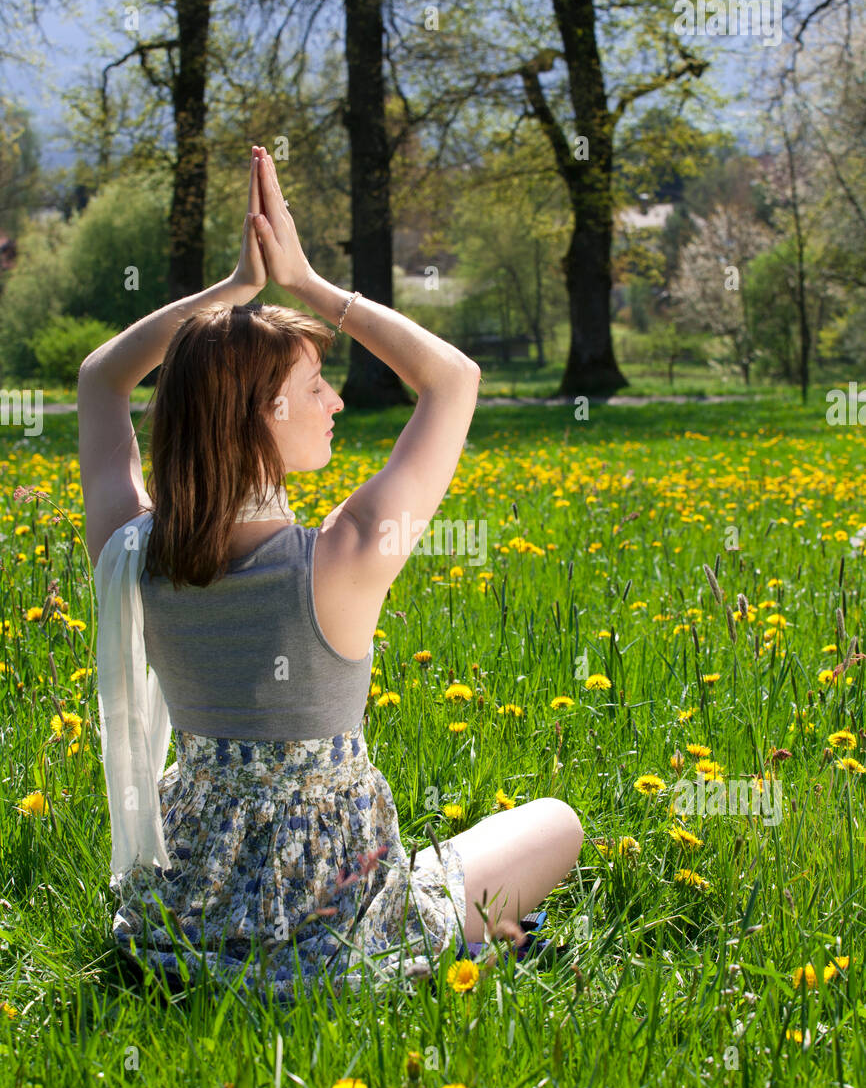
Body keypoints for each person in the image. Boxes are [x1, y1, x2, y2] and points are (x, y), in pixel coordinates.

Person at [76, 144, 583, 1000]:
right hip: (334, 908)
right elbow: (452, 380)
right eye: (316, 389)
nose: (338, 402)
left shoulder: (132, 549)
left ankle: (463, 928)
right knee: (555, 824)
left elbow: (100, 380)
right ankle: (463, 935)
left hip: (192, 907)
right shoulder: (339, 558)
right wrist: (308, 284)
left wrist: (230, 298)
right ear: (264, 415)